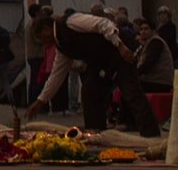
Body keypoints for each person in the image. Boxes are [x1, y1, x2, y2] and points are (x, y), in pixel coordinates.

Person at [30, 11, 158, 136]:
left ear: (46, 28)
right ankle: (96, 133)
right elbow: (56, 75)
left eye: (41, 38)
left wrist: (120, 46)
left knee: (131, 92)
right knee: (90, 91)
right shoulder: (62, 46)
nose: (44, 43)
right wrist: (41, 100)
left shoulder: (70, 22)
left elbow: (103, 24)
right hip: (102, 63)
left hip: (120, 51)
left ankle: (151, 134)